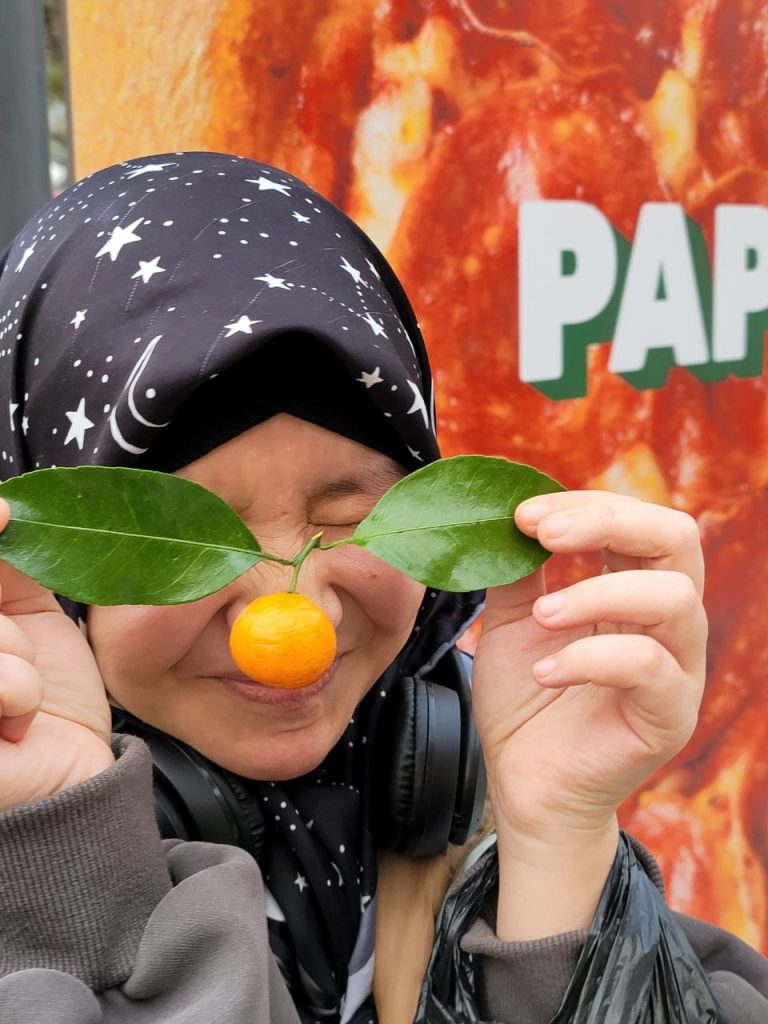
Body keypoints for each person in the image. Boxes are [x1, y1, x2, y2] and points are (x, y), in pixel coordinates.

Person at [0, 150, 765, 1024]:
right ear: (58, 566)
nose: (300, 616)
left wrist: (559, 850)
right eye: (190, 539)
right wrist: (63, 869)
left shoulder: (480, 814)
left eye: (353, 518)